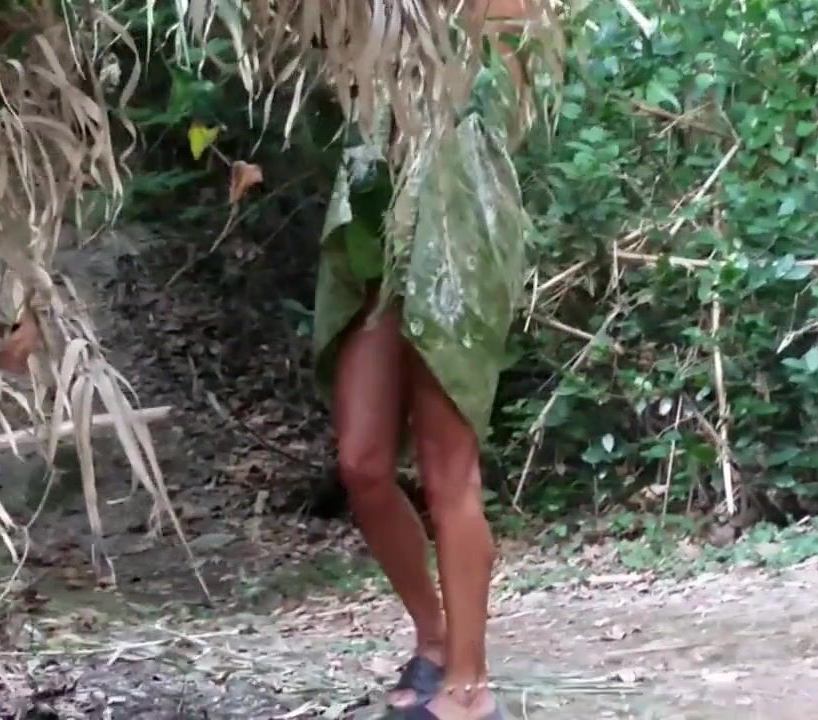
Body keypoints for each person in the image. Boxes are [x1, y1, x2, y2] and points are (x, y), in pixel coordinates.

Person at [310, 2, 548, 719]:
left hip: (458, 207)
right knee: (362, 463)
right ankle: (435, 636)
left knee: (449, 473)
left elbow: (509, 85)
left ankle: (469, 686)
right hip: (374, 203)